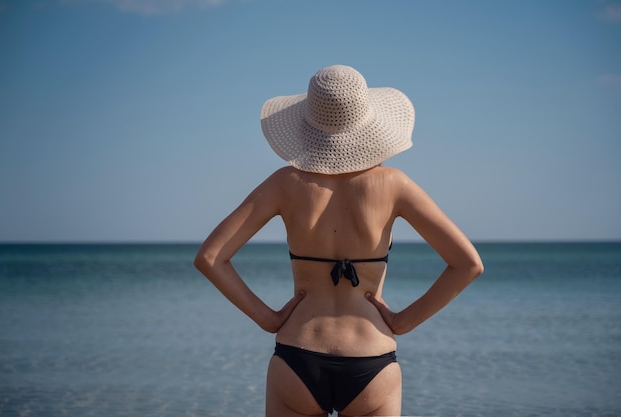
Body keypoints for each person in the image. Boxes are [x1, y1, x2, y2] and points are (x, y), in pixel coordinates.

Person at [194, 65, 484, 417]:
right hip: (371, 360)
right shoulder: (395, 185)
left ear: (307, 126)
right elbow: (468, 264)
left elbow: (210, 258)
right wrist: (404, 321)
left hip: (297, 356)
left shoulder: (284, 183)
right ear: (369, 125)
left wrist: (268, 319)